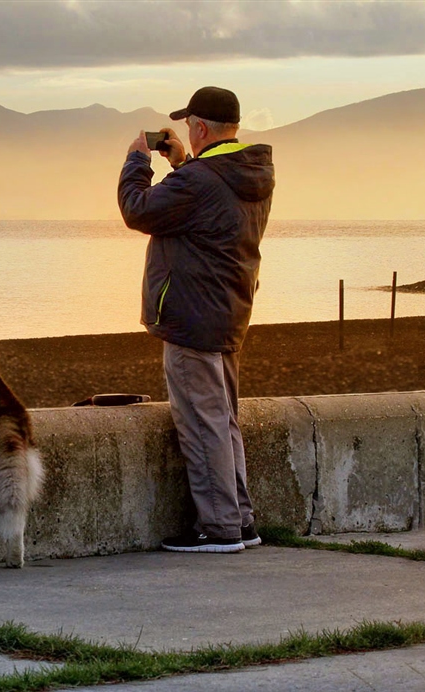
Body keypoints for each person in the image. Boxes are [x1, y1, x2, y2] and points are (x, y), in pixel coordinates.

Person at [117, 86, 275, 553]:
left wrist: (137, 161)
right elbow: (205, 206)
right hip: (228, 313)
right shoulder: (247, 173)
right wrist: (182, 163)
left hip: (191, 317)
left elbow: (137, 210)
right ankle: (240, 520)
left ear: (200, 127)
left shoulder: (202, 180)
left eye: (189, 125)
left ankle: (219, 528)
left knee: (202, 424)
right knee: (223, 421)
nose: (187, 132)